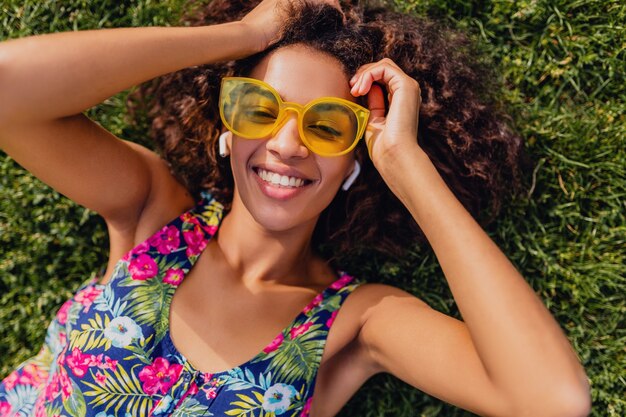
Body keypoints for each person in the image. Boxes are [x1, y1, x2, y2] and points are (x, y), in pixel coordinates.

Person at [0, 0, 591, 416]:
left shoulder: (356, 322)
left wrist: (408, 168)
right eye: (258, 109)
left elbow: (551, 402)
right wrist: (245, 36)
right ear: (226, 127)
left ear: (355, 161)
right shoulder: (152, 214)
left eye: (328, 126)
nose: (286, 144)